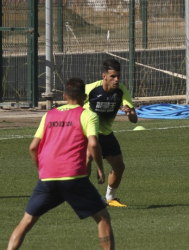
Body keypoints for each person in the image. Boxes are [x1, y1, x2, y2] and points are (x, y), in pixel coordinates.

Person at [7, 78, 115, 250]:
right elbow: (93, 144)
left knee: (26, 221)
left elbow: (33, 147)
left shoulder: (49, 114)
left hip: (48, 177)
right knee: (102, 218)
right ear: (85, 96)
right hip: (73, 176)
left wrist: (42, 170)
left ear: (65, 96)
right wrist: (100, 169)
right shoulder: (87, 114)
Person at [85, 58, 138, 207]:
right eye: (113, 76)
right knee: (87, 159)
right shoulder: (90, 89)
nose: (116, 80)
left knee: (119, 166)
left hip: (106, 134)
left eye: (118, 76)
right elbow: (72, 102)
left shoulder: (121, 91)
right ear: (104, 76)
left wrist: (129, 114)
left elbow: (134, 119)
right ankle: (83, 196)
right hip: (88, 133)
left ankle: (110, 198)